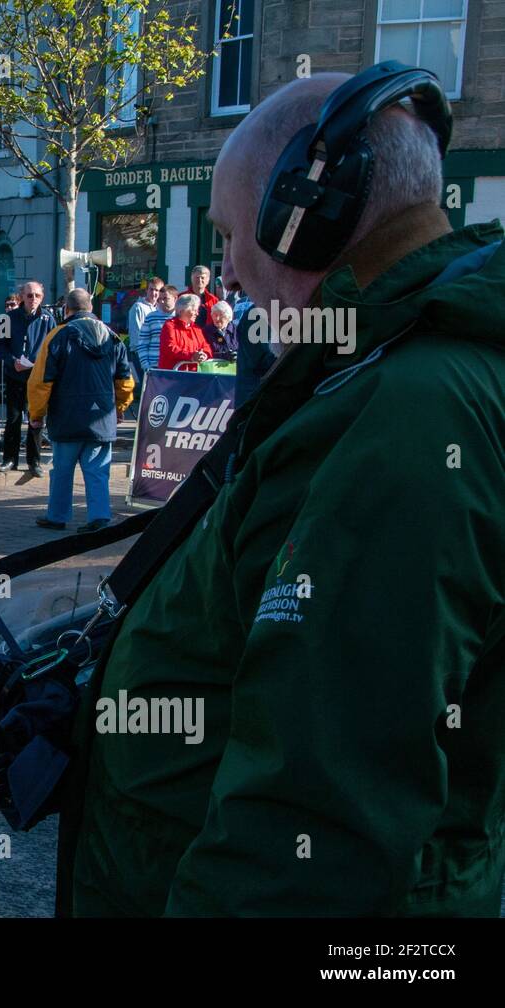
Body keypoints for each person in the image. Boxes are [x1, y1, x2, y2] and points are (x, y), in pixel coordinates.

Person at [62, 67, 505, 917]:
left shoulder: (406, 420)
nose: (227, 268)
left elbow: (312, 833)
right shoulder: (377, 374)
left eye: (232, 233)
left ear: (305, 220)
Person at [26, 289, 134, 533]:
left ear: (67, 309)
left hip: (66, 415)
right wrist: (119, 407)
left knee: (62, 469)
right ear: (91, 308)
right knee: (97, 470)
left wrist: (37, 413)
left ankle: (57, 516)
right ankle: (99, 516)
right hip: (101, 415)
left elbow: (41, 381)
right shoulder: (111, 336)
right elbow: (125, 380)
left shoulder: (58, 335)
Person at [0, 280, 57, 475]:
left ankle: (34, 461)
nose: (33, 299)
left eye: (37, 296)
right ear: (21, 297)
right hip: (15, 375)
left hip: (37, 378)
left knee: (36, 419)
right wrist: (13, 361)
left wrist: (41, 365)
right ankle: (9, 459)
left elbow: (53, 347)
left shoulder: (48, 319)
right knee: (12, 419)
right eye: (29, 295)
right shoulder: (6, 318)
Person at [157, 293, 213, 369]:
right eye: (194, 310)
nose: (197, 313)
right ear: (182, 311)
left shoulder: (196, 329)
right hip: (172, 377)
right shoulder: (170, 326)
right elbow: (170, 348)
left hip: (193, 375)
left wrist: (204, 355)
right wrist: (191, 356)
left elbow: (206, 346)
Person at [127, 276, 165, 383]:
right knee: (144, 387)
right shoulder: (138, 307)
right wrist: (143, 357)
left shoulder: (159, 308)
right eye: (151, 289)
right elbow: (137, 334)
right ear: (146, 290)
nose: (154, 293)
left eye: (157, 290)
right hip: (140, 354)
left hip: (154, 355)